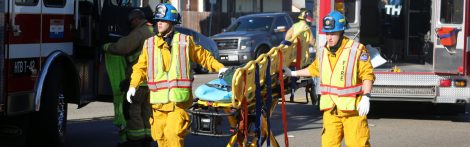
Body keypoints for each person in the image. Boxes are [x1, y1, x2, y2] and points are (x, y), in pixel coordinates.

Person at [126, 3, 228, 147]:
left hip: (177, 104)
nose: (159, 23)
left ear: (172, 22)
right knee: (161, 138)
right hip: (158, 106)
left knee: (173, 136)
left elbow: (203, 56)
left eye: (162, 20)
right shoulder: (149, 44)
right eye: (157, 20)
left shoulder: (185, 41)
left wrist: (220, 68)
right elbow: (140, 68)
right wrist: (133, 85)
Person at [283, 11, 375, 147]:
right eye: (327, 34)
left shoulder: (357, 50)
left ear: (341, 33)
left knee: (358, 144)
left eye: (333, 34)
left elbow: (367, 75)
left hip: (352, 111)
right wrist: (293, 73)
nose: (329, 38)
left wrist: (366, 96)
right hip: (331, 110)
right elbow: (313, 69)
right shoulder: (323, 52)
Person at [102, 9, 154, 146]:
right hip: (151, 81)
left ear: (136, 20)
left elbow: (122, 47)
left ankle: (135, 140)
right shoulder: (151, 31)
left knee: (132, 110)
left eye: (131, 22)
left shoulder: (139, 32)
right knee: (146, 111)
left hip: (138, 80)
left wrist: (107, 46)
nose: (130, 24)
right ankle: (147, 138)